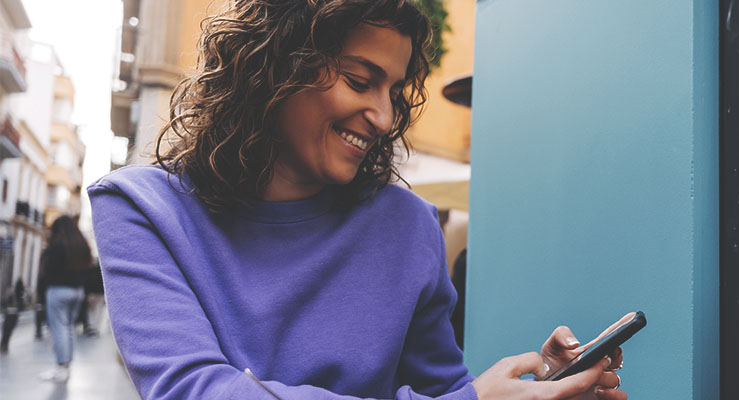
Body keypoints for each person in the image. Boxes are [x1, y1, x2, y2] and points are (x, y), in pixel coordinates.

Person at [88, 1, 628, 399]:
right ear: (272, 66)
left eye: (393, 90)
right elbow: (191, 389)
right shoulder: (141, 210)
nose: (385, 116)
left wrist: (541, 391)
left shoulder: (409, 225)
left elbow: (443, 390)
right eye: (359, 80)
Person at [37, 215, 93, 382]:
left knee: (58, 329)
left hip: (58, 290)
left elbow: (47, 270)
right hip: (77, 291)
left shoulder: (57, 246)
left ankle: (61, 367)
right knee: (68, 328)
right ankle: (66, 366)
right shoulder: (81, 245)